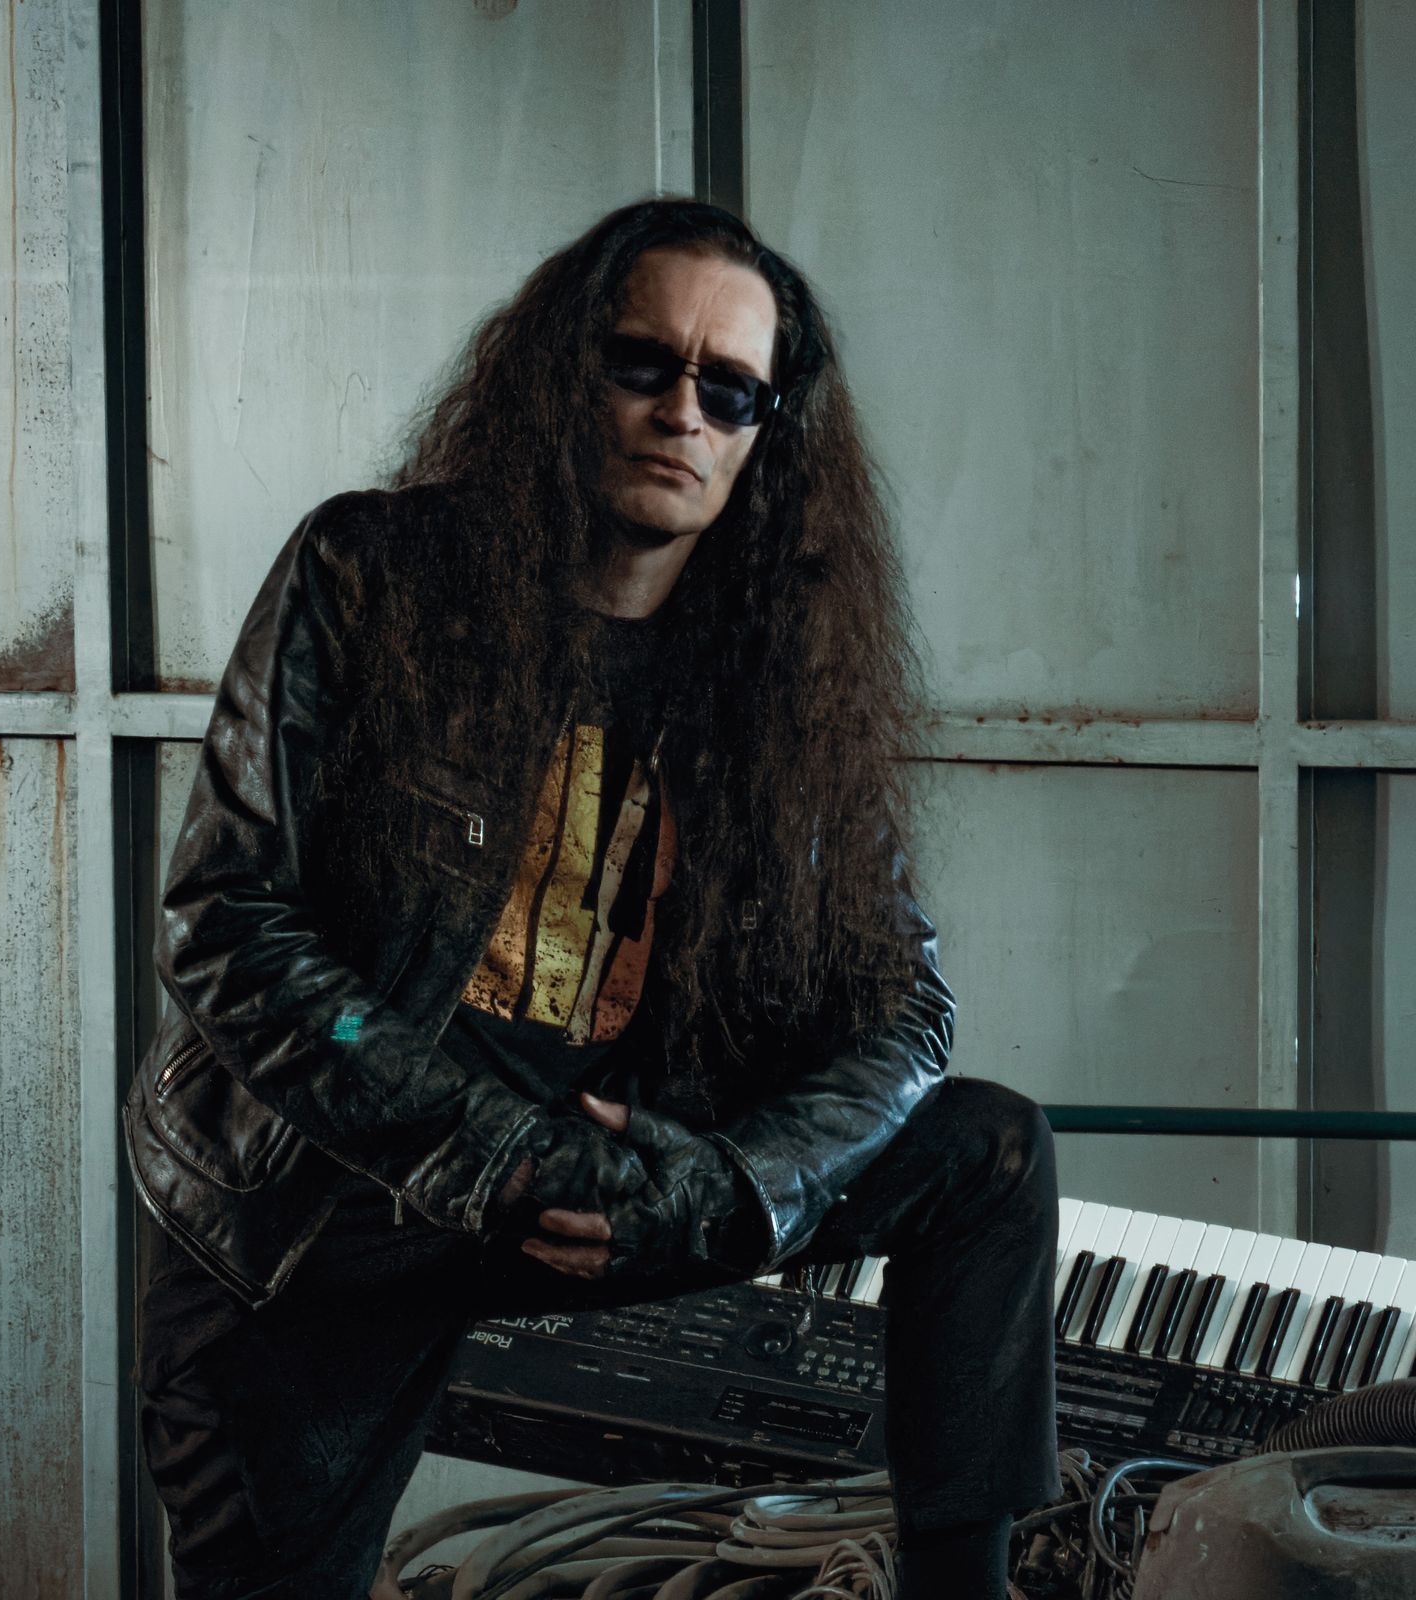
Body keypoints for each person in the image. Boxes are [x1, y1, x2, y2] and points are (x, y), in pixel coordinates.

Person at [126, 197, 1061, 1600]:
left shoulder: (775, 671)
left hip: (613, 1189)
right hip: (330, 1207)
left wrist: (732, 1185)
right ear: (564, 372)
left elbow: (902, 1005)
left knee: (988, 1151)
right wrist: (495, 1148)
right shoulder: (368, 574)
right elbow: (225, 923)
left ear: (763, 434)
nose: (684, 412)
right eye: (644, 364)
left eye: (730, 390)